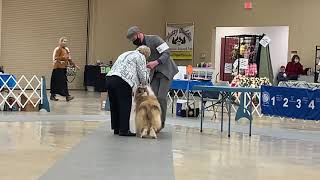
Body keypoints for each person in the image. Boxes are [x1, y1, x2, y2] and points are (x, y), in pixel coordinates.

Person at [126, 26, 179, 131]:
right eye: (131, 39)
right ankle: (151, 122)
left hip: (166, 71)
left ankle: (160, 124)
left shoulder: (155, 39)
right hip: (154, 74)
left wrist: (155, 62)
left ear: (139, 34)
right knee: (151, 99)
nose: (132, 40)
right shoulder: (138, 48)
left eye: (133, 38)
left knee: (161, 98)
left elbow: (167, 53)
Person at [106, 46, 150, 136]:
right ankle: (124, 130)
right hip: (123, 80)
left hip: (109, 78)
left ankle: (116, 128)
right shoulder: (141, 57)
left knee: (114, 104)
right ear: (145, 54)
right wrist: (145, 84)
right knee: (124, 104)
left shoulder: (125, 53)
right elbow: (142, 74)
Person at [50, 37, 75, 102]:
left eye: (66, 41)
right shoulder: (58, 49)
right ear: (60, 42)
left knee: (60, 82)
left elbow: (69, 58)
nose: (65, 43)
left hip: (63, 68)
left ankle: (53, 96)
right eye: (64, 41)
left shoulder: (66, 50)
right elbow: (55, 58)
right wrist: (63, 57)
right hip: (58, 68)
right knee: (60, 82)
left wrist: (73, 64)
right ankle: (67, 96)